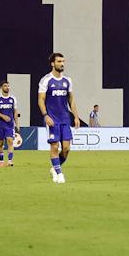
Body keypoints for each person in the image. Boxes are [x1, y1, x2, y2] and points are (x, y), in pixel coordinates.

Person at [38, 52, 81, 184]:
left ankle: (55, 168)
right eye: (59, 61)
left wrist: (76, 117)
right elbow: (41, 99)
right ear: (52, 63)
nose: (62, 64)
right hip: (52, 119)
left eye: (63, 61)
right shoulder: (46, 80)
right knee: (55, 147)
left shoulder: (67, 80)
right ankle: (59, 173)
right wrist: (45, 116)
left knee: (66, 149)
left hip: (65, 119)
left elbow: (71, 100)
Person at [0, 81, 19, 168]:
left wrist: (17, 123)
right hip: (0, 124)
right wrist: (3, 116)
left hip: (10, 125)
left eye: (8, 86)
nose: (7, 87)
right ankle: (1, 161)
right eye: (5, 86)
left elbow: (15, 111)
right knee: (0, 143)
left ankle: (10, 161)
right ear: (1, 88)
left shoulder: (13, 99)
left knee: (10, 141)